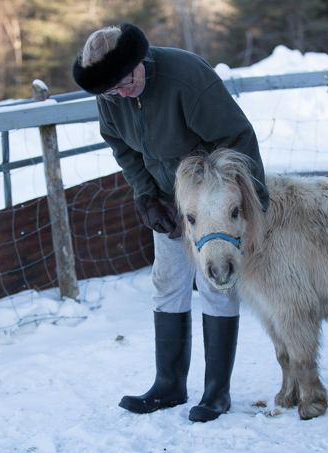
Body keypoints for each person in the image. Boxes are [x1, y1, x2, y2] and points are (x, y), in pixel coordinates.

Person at [72, 23, 268, 423]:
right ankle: (169, 384)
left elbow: (238, 137)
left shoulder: (186, 76)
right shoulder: (111, 93)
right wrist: (145, 195)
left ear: (139, 61)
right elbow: (122, 146)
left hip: (209, 196)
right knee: (168, 280)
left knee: (215, 280)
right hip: (165, 197)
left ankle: (216, 391)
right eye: (112, 91)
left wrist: (252, 206)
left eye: (127, 82)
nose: (122, 94)